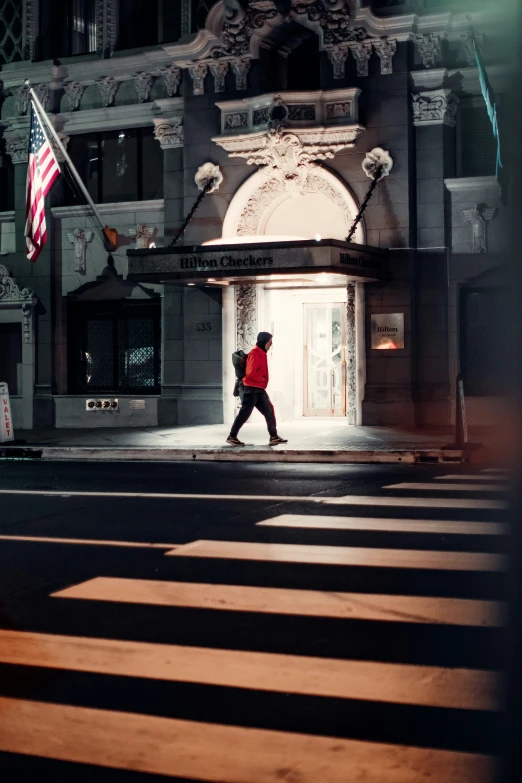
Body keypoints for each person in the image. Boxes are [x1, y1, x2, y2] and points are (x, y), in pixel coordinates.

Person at [227, 331, 288, 447]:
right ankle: (232, 436)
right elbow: (250, 373)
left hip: (258, 389)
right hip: (251, 389)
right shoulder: (255, 352)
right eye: (270, 341)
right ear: (264, 341)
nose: (271, 344)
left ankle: (274, 437)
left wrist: (262, 381)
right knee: (244, 413)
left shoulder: (261, 352)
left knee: (269, 410)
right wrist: (263, 378)